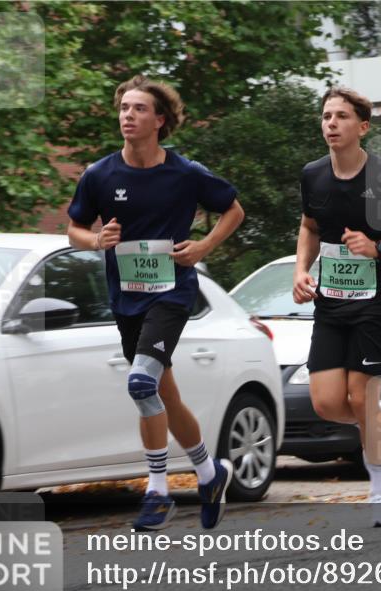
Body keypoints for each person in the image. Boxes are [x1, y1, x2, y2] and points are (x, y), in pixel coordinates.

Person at [67, 75, 245, 529]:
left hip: (172, 293)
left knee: (141, 383)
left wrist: (205, 246)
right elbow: (75, 229)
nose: (128, 115)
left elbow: (234, 210)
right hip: (126, 298)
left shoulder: (185, 173)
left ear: (159, 120)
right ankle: (209, 472)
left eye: (139, 108)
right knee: (161, 392)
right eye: (124, 107)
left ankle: (158, 491)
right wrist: (96, 240)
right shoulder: (100, 174)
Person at [293, 87, 381, 526]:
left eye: (341, 117)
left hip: (376, 302)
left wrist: (377, 247)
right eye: (325, 116)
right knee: (326, 403)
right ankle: (378, 417)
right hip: (330, 302)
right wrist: (301, 271)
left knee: (360, 394)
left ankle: (380, 494)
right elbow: (309, 226)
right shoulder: (313, 175)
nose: (331, 123)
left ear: (363, 127)